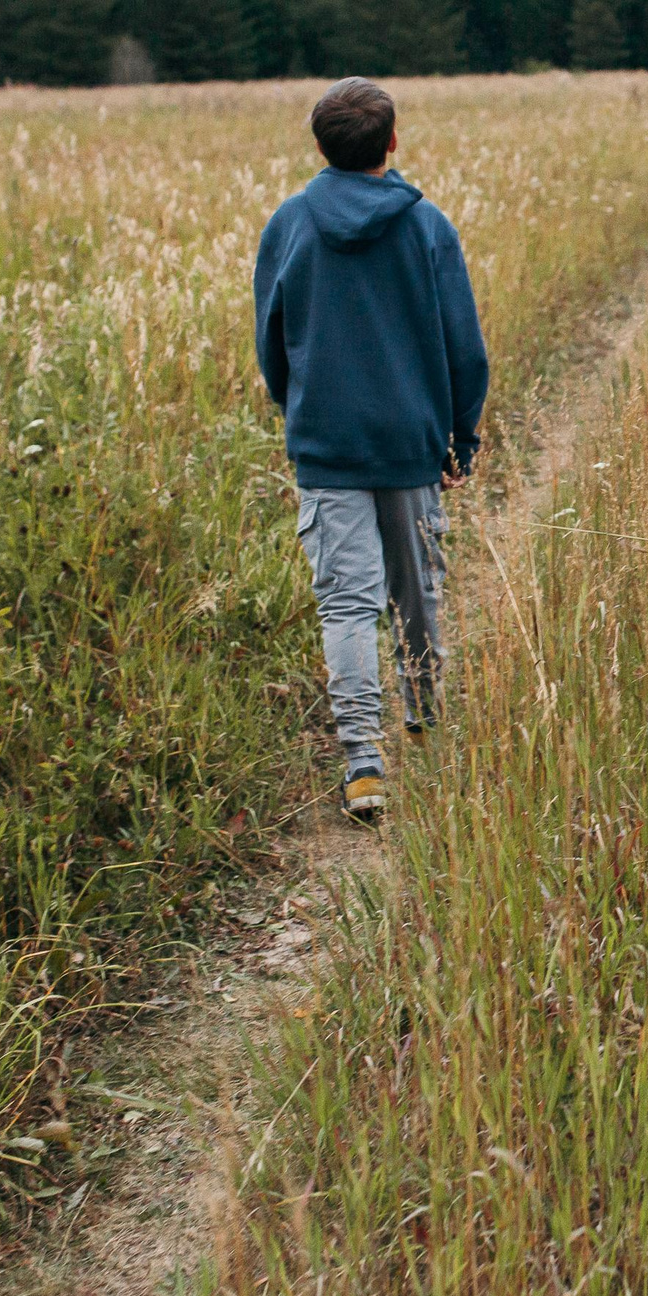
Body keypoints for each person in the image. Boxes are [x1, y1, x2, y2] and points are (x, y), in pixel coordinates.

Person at [254, 76, 490, 818]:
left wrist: (297, 408)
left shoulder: (288, 225)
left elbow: (272, 341)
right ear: (391, 142)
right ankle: (424, 718)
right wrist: (462, 437)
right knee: (417, 588)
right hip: (411, 444)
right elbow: (465, 348)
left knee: (347, 606)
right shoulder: (427, 228)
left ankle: (363, 762)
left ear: (319, 145)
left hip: (327, 447)